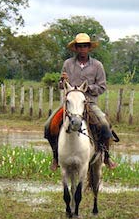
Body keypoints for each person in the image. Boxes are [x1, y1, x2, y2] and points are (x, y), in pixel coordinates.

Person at [44, 33, 118, 171]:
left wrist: (87, 88)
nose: (82, 49)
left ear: (89, 48)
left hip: (89, 103)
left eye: (85, 46)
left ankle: (107, 157)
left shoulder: (97, 65)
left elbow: (102, 87)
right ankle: (55, 157)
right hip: (70, 104)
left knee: (104, 124)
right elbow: (61, 86)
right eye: (80, 46)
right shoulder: (68, 64)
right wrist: (62, 81)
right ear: (76, 48)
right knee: (48, 125)